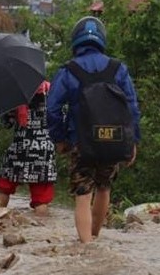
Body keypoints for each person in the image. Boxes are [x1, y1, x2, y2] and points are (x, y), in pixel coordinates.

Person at [47, 16, 142, 243]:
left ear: (76, 40)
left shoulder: (68, 70)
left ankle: (86, 247)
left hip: (81, 143)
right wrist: (133, 141)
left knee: (83, 195)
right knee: (104, 188)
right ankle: (95, 239)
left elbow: (52, 109)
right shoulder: (118, 69)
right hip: (113, 140)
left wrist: (59, 138)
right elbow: (132, 107)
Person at [0, 81, 57, 215]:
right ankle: (40, 228)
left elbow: (7, 123)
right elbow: (59, 118)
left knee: (4, 189)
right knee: (41, 200)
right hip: (43, 152)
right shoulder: (52, 92)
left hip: (19, 149)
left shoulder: (15, 94)